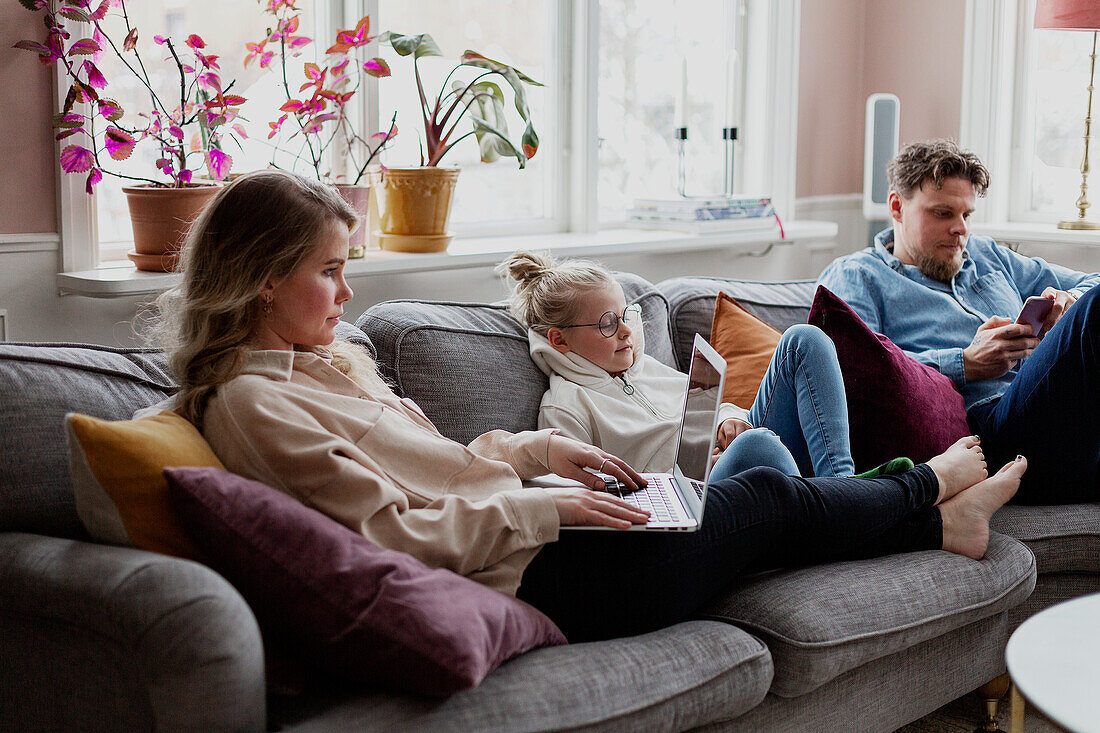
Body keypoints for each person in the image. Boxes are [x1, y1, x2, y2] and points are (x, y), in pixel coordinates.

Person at [149, 169, 1026, 642]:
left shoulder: (330, 362)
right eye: (329, 269)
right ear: (265, 278)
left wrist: (535, 454)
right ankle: (929, 490)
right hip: (539, 569)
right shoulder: (255, 404)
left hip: (542, 530)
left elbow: (443, 467)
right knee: (760, 497)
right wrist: (544, 504)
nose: (347, 289)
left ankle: (943, 524)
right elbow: (390, 534)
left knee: (748, 498)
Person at [817, 139, 1099, 503]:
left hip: (1060, 412)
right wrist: (965, 363)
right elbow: (857, 372)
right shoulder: (858, 276)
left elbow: (1090, 281)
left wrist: (1068, 300)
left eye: (966, 215)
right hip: (991, 437)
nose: (960, 228)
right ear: (897, 206)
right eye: (942, 213)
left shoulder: (984, 254)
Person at [498, 250, 913, 480]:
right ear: (560, 340)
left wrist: (728, 421)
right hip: (699, 490)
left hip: (735, 456)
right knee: (760, 445)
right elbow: (586, 491)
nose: (625, 331)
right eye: (607, 324)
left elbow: (707, 413)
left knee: (804, 340)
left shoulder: (644, 369)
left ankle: (841, 485)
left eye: (625, 315)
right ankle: (834, 509)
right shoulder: (565, 405)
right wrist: (685, 471)